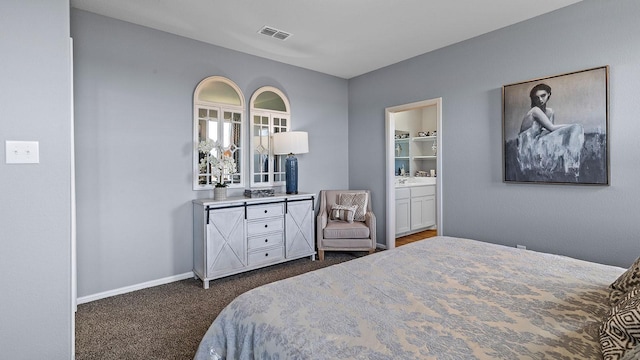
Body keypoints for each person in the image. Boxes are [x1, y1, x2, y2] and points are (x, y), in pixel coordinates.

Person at [517, 83, 584, 179]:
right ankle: (571, 165)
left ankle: (570, 166)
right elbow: (551, 128)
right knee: (575, 128)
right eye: (537, 97)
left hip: (539, 140)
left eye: (543, 96)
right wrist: (572, 126)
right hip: (527, 145)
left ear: (549, 94)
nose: (540, 100)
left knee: (570, 132)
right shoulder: (535, 110)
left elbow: (550, 131)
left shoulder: (550, 111)